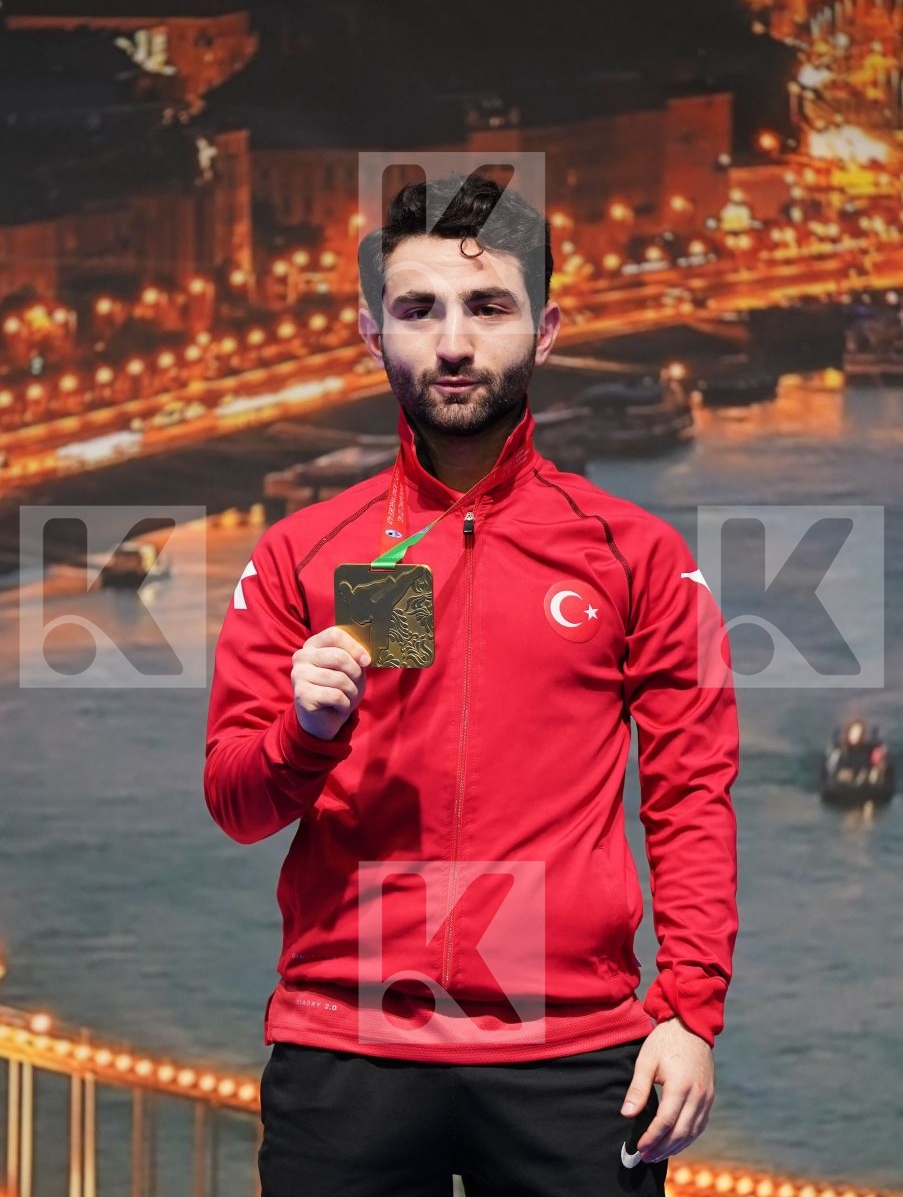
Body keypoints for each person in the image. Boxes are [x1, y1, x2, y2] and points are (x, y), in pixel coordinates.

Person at [204, 172, 740, 1197]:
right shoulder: (305, 553)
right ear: (374, 334)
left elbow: (691, 800)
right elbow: (237, 802)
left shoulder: (635, 556)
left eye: (488, 306)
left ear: (546, 330)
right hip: (345, 1050)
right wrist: (302, 734)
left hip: (576, 1060)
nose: (453, 343)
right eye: (419, 310)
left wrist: (688, 1014)